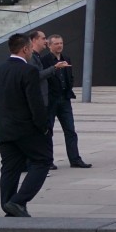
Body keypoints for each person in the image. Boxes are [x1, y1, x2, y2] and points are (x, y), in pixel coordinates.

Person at [0, 33, 51, 216]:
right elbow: (35, 103)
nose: (32, 52)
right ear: (25, 49)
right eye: (30, 48)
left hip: (3, 128)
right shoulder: (28, 71)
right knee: (43, 160)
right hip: (26, 129)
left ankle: (9, 205)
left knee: (10, 167)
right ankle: (18, 201)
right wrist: (44, 127)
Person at [41, 34, 90, 169]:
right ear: (49, 45)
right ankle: (48, 160)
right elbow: (43, 77)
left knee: (70, 130)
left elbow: (70, 75)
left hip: (64, 99)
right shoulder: (44, 60)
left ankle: (75, 159)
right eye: (56, 43)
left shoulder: (66, 58)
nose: (59, 46)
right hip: (51, 100)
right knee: (48, 131)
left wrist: (69, 87)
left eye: (61, 43)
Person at [27, 29, 63, 171]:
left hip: (45, 100)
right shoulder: (32, 58)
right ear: (34, 40)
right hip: (39, 101)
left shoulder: (36, 56)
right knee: (40, 132)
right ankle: (38, 162)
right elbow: (36, 76)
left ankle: (44, 161)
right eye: (43, 38)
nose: (45, 41)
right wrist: (54, 68)